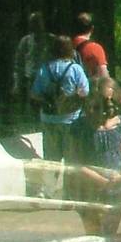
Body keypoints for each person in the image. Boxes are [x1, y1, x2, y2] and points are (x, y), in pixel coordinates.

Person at [74, 76, 121, 237]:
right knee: (94, 235)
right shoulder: (80, 128)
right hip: (89, 188)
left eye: (112, 103)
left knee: (109, 235)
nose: (108, 108)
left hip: (117, 189)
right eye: (102, 104)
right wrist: (102, 181)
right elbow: (76, 162)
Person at [30, 35, 90, 185]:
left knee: (51, 159)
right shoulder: (75, 69)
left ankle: (50, 188)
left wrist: (48, 99)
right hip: (71, 119)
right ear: (70, 50)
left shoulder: (44, 69)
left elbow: (34, 94)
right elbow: (85, 91)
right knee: (71, 159)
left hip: (48, 119)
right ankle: (70, 189)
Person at [12, 12, 50, 112]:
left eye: (38, 22)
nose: (36, 26)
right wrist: (17, 84)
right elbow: (18, 64)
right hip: (31, 80)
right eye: (33, 23)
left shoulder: (50, 40)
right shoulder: (25, 41)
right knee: (33, 110)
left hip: (48, 81)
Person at [73, 11, 109, 81]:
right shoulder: (95, 48)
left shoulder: (65, 46)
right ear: (92, 28)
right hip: (89, 87)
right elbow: (104, 77)